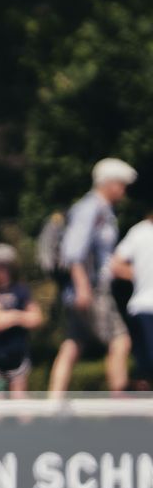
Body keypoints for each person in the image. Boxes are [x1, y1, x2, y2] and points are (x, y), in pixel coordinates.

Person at [50, 159, 138, 396]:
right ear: (108, 183)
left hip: (83, 289)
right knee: (120, 341)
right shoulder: (92, 208)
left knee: (73, 343)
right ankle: (119, 405)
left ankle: (53, 404)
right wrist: (83, 287)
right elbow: (73, 250)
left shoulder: (99, 210)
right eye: (120, 184)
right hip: (92, 289)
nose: (123, 191)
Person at [0, 244, 43, 397]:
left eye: (5, 266)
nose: (1, 271)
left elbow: (36, 318)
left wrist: (14, 316)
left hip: (18, 358)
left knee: (20, 401)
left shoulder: (21, 291)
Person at [110, 206, 153, 388]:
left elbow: (116, 265)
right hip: (144, 307)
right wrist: (140, 275)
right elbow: (115, 265)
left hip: (141, 308)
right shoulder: (140, 232)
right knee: (146, 369)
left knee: (145, 367)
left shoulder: (138, 231)